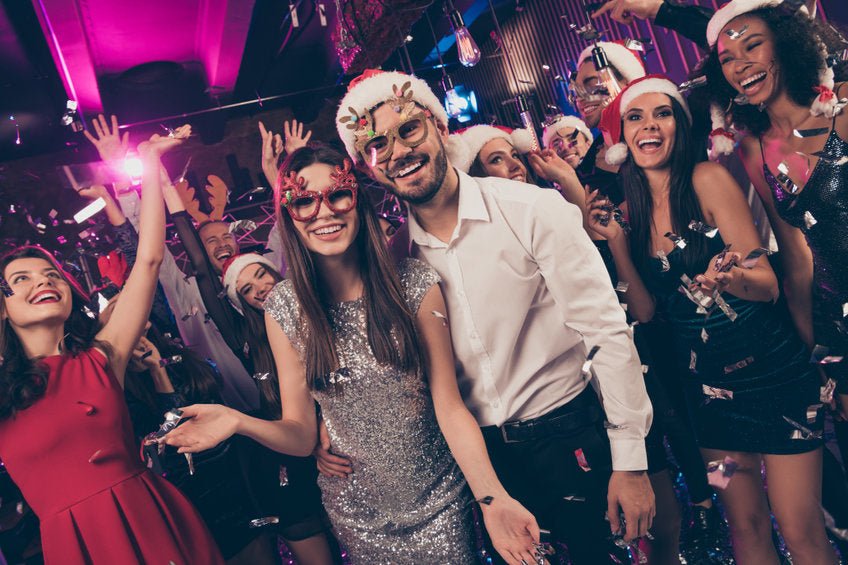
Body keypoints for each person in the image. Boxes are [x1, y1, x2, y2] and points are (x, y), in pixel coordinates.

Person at [164, 145, 542, 565]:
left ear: (357, 201)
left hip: (439, 500)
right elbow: (300, 434)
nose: (323, 212)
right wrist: (237, 421)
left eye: (338, 194)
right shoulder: (285, 308)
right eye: (305, 201)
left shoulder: (413, 283)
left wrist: (491, 497)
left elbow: (450, 406)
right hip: (357, 513)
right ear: (290, 216)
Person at [334, 68, 654, 564]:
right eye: (376, 145)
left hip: (567, 436)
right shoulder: (394, 262)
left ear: (440, 127)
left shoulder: (530, 209)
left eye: (409, 129)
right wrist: (328, 431)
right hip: (481, 464)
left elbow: (605, 331)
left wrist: (631, 462)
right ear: (368, 168)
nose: (397, 152)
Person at [592, 73, 836, 565]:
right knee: (744, 528)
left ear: (679, 127)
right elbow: (645, 311)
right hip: (709, 400)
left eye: (662, 114)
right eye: (636, 117)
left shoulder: (707, 179)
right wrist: (617, 243)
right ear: (623, 138)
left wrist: (729, 278)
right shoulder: (628, 213)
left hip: (775, 380)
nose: (649, 125)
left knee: (799, 528)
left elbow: (766, 283)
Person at [0, 127, 226, 564]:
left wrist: (149, 160)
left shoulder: (103, 357)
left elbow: (149, 260)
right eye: (21, 279)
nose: (43, 282)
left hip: (150, 519)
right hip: (76, 544)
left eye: (51, 275)